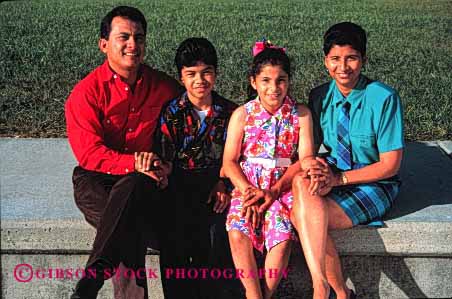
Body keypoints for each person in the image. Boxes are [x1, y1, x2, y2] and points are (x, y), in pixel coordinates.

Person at [65, 6, 181, 299]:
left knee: (131, 194)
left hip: (143, 181)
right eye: (124, 37)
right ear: (103, 44)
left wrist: (166, 166)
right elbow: (90, 154)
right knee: (130, 220)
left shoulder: (165, 88)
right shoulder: (86, 93)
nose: (133, 45)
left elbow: (192, 122)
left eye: (139, 37)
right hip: (95, 180)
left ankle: (90, 282)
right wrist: (134, 163)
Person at [291, 22, 404, 299]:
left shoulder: (383, 98)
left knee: (302, 216)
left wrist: (339, 179)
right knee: (299, 182)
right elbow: (311, 151)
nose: (343, 67)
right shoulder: (319, 96)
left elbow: (391, 164)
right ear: (325, 61)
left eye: (351, 58)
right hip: (335, 170)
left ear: (363, 60)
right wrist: (316, 171)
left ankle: (330, 290)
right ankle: (332, 289)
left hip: (376, 182)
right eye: (335, 59)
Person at [223, 40, 318, 299]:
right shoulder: (242, 114)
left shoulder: (300, 115)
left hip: (283, 185)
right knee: (237, 231)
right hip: (248, 186)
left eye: (281, 80)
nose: (273, 88)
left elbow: (306, 159)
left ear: (289, 81)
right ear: (253, 82)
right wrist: (248, 192)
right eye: (265, 80)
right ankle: (254, 295)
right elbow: (229, 162)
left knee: (283, 237)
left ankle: (265, 294)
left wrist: (274, 191)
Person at [152, 37, 238, 299]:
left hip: (217, 185)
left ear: (216, 73)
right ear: (181, 77)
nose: (199, 80)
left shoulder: (232, 113)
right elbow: (165, 157)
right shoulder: (172, 113)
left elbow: (238, 158)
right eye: (191, 74)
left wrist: (225, 184)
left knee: (215, 235)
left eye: (206, 73)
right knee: (173, 235)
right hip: (180, 186)